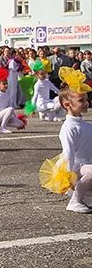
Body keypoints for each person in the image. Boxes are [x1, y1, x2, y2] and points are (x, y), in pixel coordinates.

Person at [56, 69, 92, 213]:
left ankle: (82, 196)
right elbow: (68, 153)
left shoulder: (85, 124)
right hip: (75, 169)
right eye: (81, 100)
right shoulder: (68, 127)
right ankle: (74, 201)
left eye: (86, 99)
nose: (86, 103)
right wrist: (68, 176)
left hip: (85, 167)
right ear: (67, 105)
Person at [0, 68, 25, 133]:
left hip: (3, 116)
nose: (6, 85)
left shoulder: (7, 94)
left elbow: (10, 108)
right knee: (10, 109)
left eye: (6, 83)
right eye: (4, 84)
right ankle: (2, 128)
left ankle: (2, 126)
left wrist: (16, 118)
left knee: (20, 124)